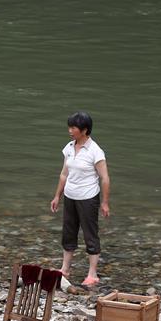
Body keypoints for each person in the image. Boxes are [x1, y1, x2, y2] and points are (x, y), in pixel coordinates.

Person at [50, 111, 110, 287]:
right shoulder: (69, 147)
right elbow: (64, 174)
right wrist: (57, 196)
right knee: (68, 232)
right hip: (70, 196)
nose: (70, 130)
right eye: (69, 127)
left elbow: (105, 178)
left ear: (84, 130)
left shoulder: (95, 151)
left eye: (73, 128)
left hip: (88, 198)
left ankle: (92, 274)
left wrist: (105, 202)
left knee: (90, 234)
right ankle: (65, 269)